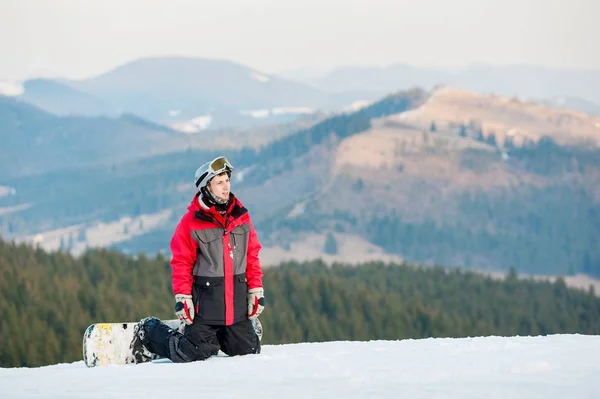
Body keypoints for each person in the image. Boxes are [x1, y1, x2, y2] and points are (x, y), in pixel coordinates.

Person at [131, 155, 265, 363]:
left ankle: (226, 335)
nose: (225, 187)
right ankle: (150, 331)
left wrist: (255, 289)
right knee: (190, 353)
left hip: (236, 306)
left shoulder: (241, 217)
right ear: (206, 187)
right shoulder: (191, 222)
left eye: (227, 180)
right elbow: (181, 262)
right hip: (206, 307)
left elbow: (252, 254)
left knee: (248, 350)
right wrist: (183, 297)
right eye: (219, 182)